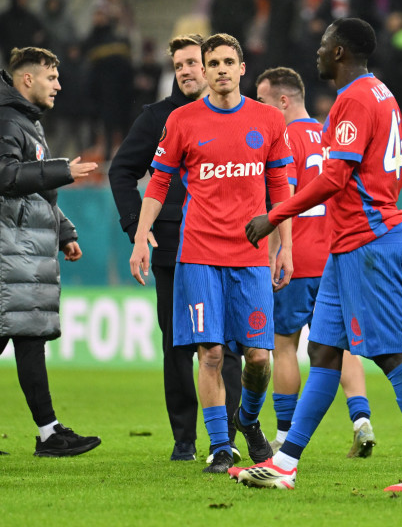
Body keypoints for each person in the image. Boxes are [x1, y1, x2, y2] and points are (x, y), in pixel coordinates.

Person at [231, 18, 402, 492]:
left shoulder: (353, 99)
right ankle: (285, 462)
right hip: (346, 244)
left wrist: (274, 216)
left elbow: (335, 178)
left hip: (368, 239)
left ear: (339, 52)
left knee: (391, 353)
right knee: (324, 350)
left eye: (323, 44)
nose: (317, 51)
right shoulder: (379, 93)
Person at [129, 33, 294, 474]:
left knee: (259, 358)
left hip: (252, 255)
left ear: (242, 69)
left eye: (228, 61)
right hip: (199, 252)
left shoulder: (269, 120)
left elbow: (281, 189)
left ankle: (249, 421)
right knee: (211, 353)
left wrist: (285, 247)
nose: (220, 69)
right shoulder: (182, 121)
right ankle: (221, 446)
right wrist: (142, 234)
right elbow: (159, 183)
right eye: (212, 62)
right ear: (203, 70)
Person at [109, 34, 244, 463]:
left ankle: (230, 434)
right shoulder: (157, 119)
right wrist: (137, 227)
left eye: (192, 63)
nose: (187, 71)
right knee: (178, 345)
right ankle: (185, 436)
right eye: (179, 65)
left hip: (228, 244)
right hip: (172, 245)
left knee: (230, 344)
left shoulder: (237, 113)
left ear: (209, 66)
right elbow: (122, 171)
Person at [255, 66, 377, 458]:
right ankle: (361, 421)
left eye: (262, 100)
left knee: (284, 344)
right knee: (338, 346)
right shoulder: (329, 133)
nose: (258, 108)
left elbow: (283, 198)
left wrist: (278, 250)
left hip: (299, 257)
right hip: (336, 253)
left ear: (283, 101)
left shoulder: (284, 137)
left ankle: (285, 433)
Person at [0, 46, 100, 456]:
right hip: (9, 250)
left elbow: (37, 190)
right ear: (27, 80)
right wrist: (62, 168)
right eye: (51, 77)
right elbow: (5, 176)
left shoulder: (27, 123)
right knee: (26, 339)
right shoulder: (7, 119)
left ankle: (48, 433)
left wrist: (63, 231)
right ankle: (48, 432)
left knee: (28, 339)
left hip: (24, 249)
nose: (59, 84)